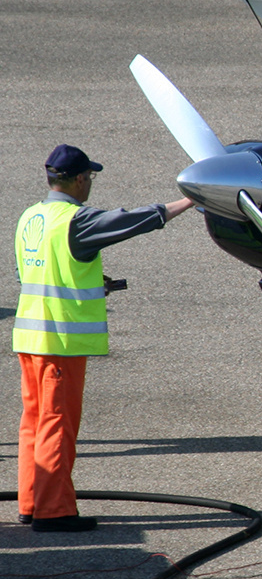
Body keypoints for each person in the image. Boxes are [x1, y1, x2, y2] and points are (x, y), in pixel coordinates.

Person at [13, 145, 195, 532]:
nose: (90, 185)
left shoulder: (32, 216)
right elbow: (130, 221)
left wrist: (95, 282)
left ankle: (31, 502)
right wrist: (188, 201)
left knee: (35, 422)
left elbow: (35, 273)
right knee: (58, 424)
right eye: (90, 178)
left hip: (29, 336)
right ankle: (54, 511)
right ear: (79, 179)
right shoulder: (73, 220)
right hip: (59, 341)